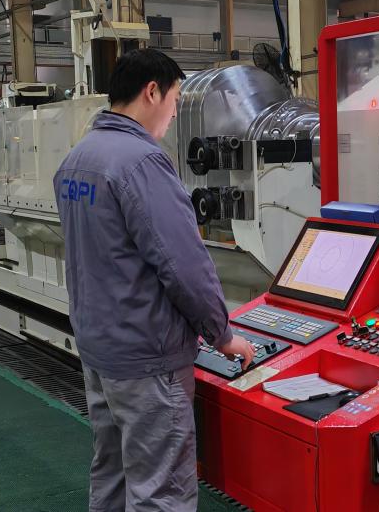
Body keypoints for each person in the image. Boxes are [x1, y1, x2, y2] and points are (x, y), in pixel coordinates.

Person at [55, 48, 255, 512]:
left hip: (100, 350)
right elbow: (183, 264)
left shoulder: (78, 159)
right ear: (151, 92)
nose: (174, 112)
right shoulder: (142, 162)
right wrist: (221, 334)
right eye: (175, 100)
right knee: (160, 493)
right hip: (148, 358)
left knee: (112, 475)